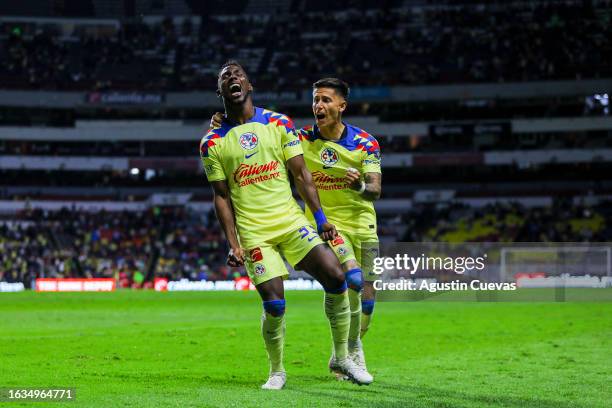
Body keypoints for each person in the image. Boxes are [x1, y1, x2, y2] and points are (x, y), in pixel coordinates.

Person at [200, 61, 372, 390]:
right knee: (275, 303)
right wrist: (233, 242)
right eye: (225, 78)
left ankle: (342, 357)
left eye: (238, 75)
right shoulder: (211, 143)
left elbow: (301, 174)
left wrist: (320, 219)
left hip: (291, 221)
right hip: (255, 231)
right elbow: (220, 196)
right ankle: (277, 371)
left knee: (336, 277)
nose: (232, 79)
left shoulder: (278, 123)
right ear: (220, 92)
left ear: (249, 86)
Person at [298, 78, 382, 379]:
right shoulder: (301, 139)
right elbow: (263, 132)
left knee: (368, 300)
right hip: (328, 225)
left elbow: (375, 189)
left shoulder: (365, 142)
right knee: (354, 280)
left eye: (325, 100)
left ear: (341, 106)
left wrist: (359, 184)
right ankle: (351, 354)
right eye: (315, 99)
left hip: (363, 222)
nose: (318, 106)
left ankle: (342, 352)